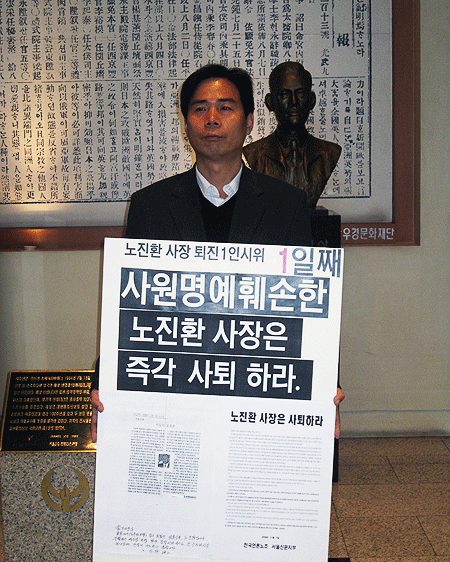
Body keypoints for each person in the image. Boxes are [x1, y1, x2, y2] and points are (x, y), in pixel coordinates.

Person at [90, 63, 344, 441]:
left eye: (225, 108)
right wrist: (103, 383)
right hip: (178, 388)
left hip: (257, 388)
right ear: (186, 124)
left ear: (250, 121)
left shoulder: (286, 204)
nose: (212, 118)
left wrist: (325, 384)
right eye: (199, 109)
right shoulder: (151, 205)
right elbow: (131, 308)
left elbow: (304, 306)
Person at [243, 61, 342, 209]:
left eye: (300, 93)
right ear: (270, 102)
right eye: (284, 94)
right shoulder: (255, 153)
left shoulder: (329, 153)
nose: (293, 102)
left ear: (312, 100)